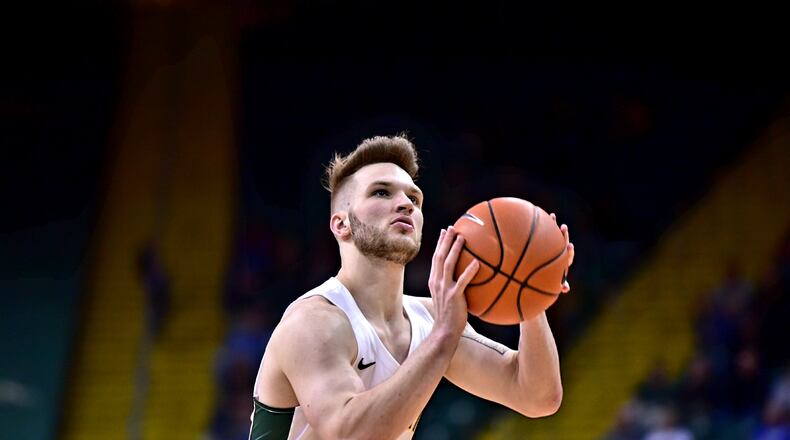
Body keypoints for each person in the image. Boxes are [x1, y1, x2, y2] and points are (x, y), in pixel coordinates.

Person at [249, 135, 574, 439]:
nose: (405, 204)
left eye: (414, 197)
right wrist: (443, 338)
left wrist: (532, 292)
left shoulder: (430, 320)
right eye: (381, 192)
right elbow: (349, 434)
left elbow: (537, 396)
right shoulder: (315, 322)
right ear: (341, 223)